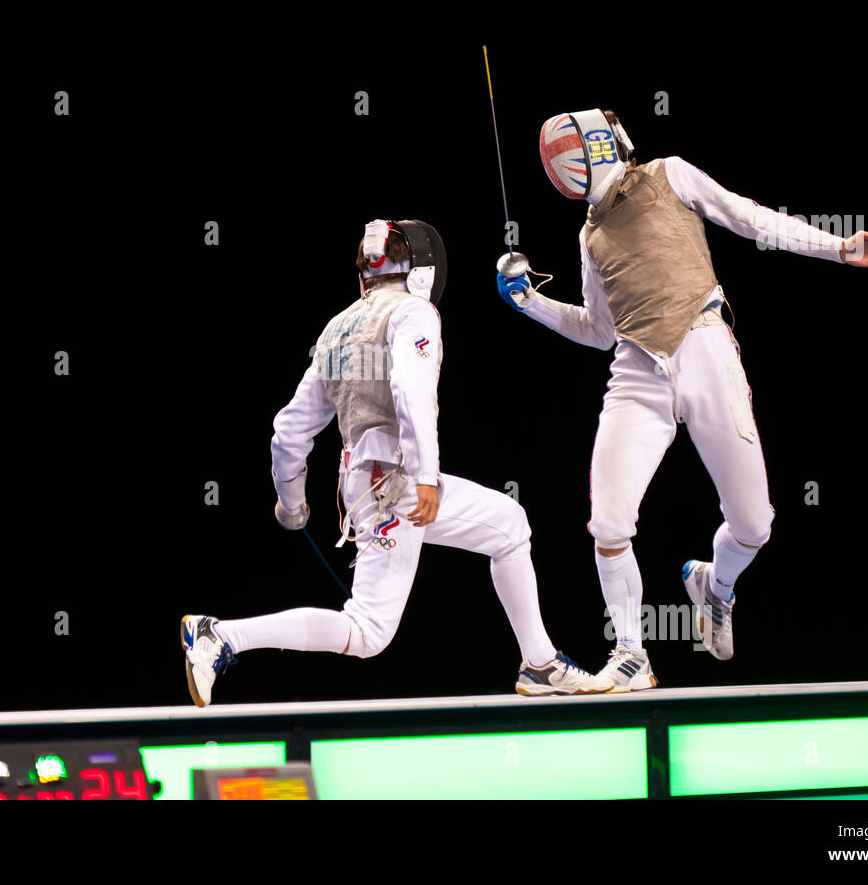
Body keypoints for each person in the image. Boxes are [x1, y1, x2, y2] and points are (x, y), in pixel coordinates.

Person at [498, 109, 868, 690]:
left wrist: (837, 247)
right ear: (595, 144)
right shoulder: (590, 237)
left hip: (709, 349)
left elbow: (749, 218)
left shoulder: (671, 175)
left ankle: (715, 588)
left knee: (754, 525)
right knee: (608, 521)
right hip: (636, 370)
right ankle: (632, 655)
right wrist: (530, 304)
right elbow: (599, 329)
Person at [181, 219, 612, 706]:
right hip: (394, 479)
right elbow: (411, 390)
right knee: (367, 632)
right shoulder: (414, 313)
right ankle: (221, 636)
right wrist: (426, 477)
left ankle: (540, 663)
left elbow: (289, 429)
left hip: (367, 478)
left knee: (510, 524)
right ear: (422, 269)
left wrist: (292, 504)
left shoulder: (336, 330)